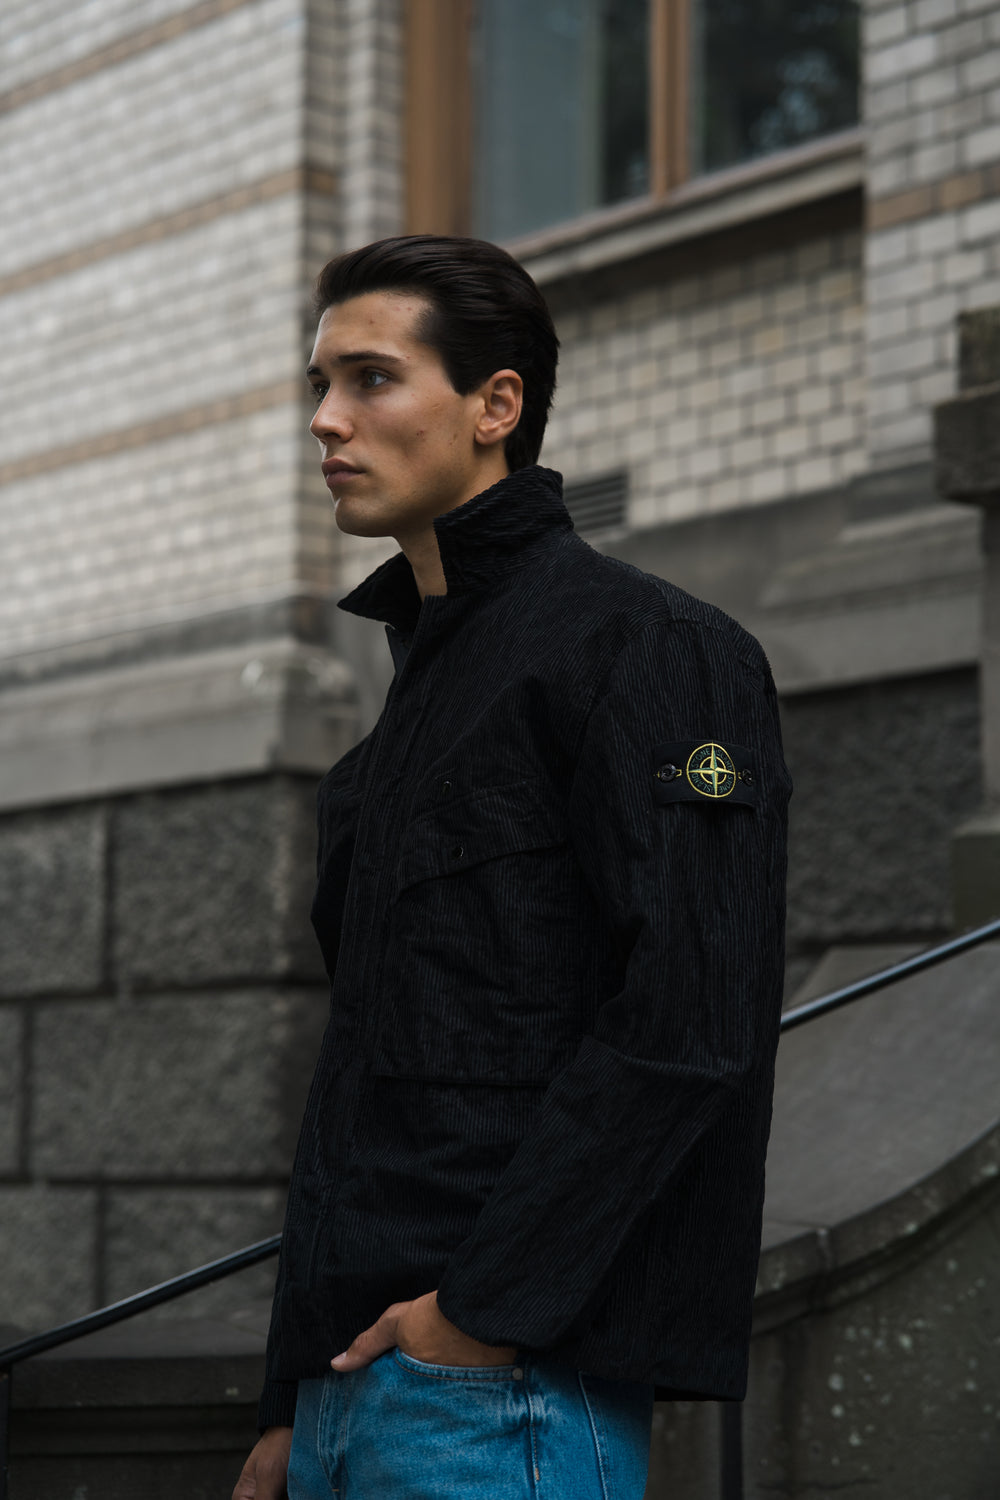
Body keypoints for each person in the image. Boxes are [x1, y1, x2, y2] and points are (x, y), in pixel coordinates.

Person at [232, 235, 791, 1500]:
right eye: (319, 384)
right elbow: (357, 1090)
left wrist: (480, 1317)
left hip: (499, 1393)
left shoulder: (650, 648)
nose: (325, 419)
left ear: (496, 406)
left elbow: (690, 1021)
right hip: (353, 1389)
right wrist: (289, 1405)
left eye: (372, 378)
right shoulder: (397, 727)